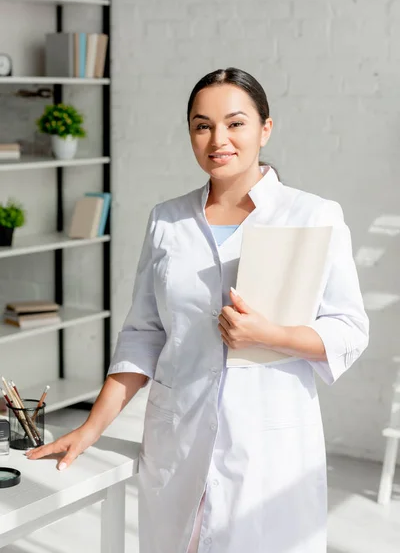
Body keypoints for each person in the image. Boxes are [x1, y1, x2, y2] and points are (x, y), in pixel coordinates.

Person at [27, 67, 369, 553]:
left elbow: (350, 328)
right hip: (178, 438)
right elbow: (143, 334)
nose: (218, 139)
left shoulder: (313, 214)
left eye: (235, 123)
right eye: (202, 125)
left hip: (269, 448)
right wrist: (90, 428)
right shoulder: (166, 219)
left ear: (265, 128)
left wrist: (270, 335)